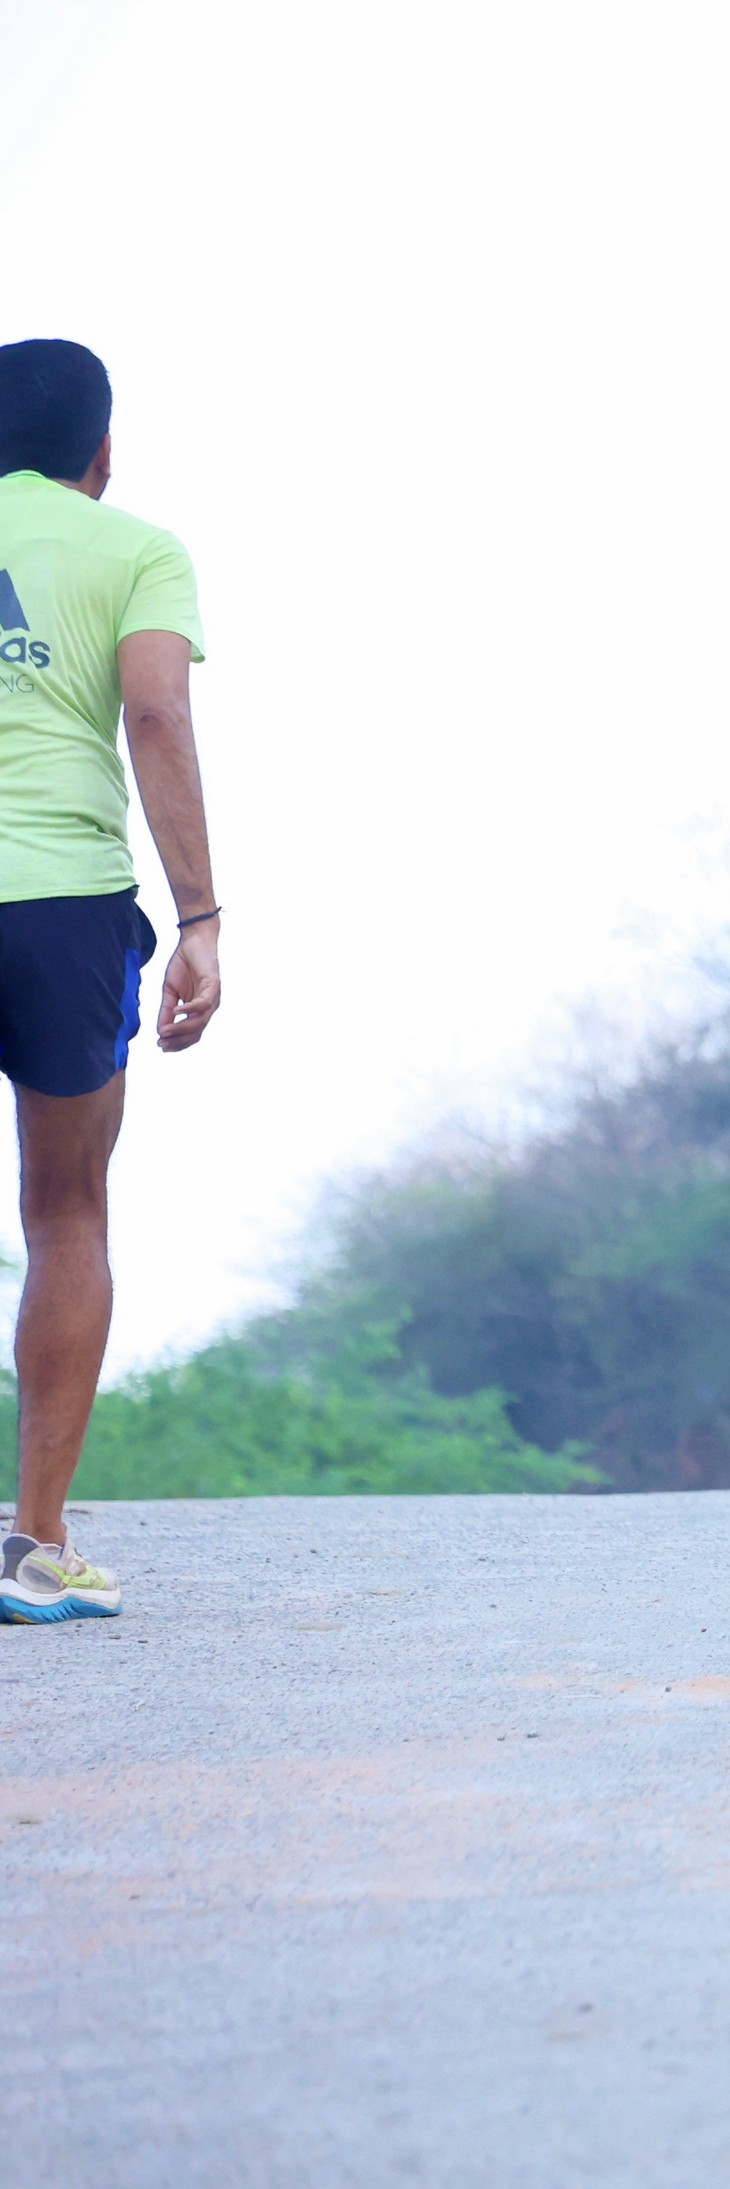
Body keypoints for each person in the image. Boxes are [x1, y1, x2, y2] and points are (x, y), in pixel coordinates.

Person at [0, 340, 222, 1627]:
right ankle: (35, 1542)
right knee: (67, 1211)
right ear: (99, 450)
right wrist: (199, 917)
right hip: (62, 909)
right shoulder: (136, 550)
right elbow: (155, 716)